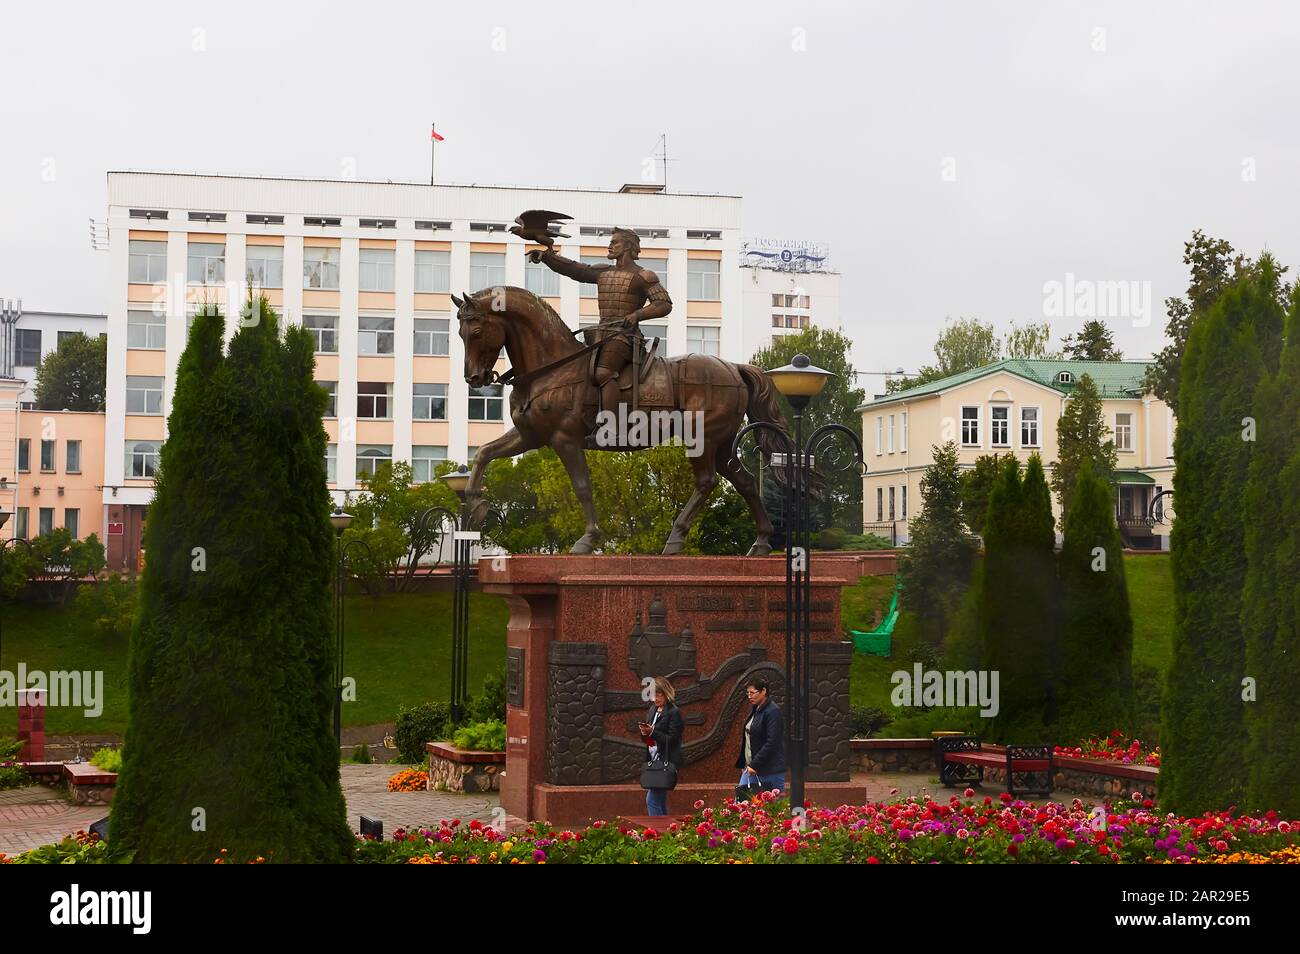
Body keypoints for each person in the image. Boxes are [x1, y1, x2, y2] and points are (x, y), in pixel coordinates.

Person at [527, 227, 673, 419]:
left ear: (628, 246)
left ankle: (611, 426)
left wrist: (637, 315)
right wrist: (547, 257)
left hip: (625, 336)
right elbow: (576, 269)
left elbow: (664, 304)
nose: (610, 246)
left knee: (603, 373)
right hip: (600, 334)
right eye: (610, 242)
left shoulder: (643, 276)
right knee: (576, 373)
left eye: (615, 243)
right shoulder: (603, 271)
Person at [639, 676, 684, 817]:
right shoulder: (652, 710)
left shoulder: (673, 712)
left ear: (666, 694)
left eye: (659, 695)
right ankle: (667, 832)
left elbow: (672, 739)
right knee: (660, 801)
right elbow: (649, 739)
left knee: (651, 800)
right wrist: (645, 734)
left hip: (666, 760)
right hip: (653, 758)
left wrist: (653, 732)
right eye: (653, 695)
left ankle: (657, 833)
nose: (656, 699)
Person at [735, 677, 787, 793]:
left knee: (773, 808)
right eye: (747, 693)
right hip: (751, 768)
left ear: (763, 691)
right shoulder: (756, 709)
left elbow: (772, 742)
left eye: (752, 693)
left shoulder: (772, 711)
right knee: (742, 804)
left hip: (769, 770)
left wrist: (755, 764)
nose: (749, 696)